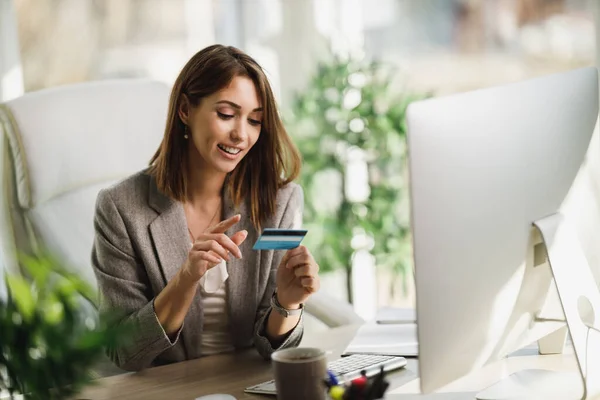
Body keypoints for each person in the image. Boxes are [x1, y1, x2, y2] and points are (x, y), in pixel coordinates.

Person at [91, 44, 321, 371]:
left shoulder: (279, 203)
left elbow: (272, 350)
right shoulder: (121, 208)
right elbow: (124, 352)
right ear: (185, 110)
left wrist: (288, 302)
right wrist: (186, 279)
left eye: (255, 121)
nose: (241, 134)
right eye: (226, 114)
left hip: (246, 386)